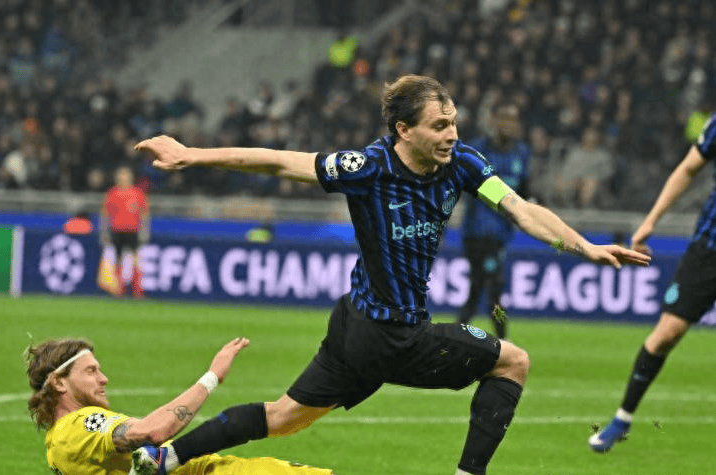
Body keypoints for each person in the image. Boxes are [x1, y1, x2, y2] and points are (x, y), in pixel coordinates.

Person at [131, 75, 650, 475]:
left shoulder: (463, 164)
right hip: (392, 334)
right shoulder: (368, 167)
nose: (452, 134)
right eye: (439, 126)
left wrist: (582, 245)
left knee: (282, 417)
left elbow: (519, 207)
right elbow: (278, 162)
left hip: (355, 324)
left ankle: (165, 458)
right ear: (405, 130)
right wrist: (191, 155)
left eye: (453, 123)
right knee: (513, 361)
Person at [588, 113, 716, 453]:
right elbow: (688, 169)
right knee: (666, 335)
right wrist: (651, 221)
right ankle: (622, 419)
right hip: (709, 249)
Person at [25, 337, 334, 475]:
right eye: (91, 371)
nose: (103, 379)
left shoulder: (59, 444)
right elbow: (152, 431)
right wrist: (212, 377)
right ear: (59, 382)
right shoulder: (78, 426)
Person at [457, 101, 530, 339]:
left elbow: (525, 191)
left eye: (513, 119)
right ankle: (502, 339)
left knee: (480, 288)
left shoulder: (521, 153)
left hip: (501, 234)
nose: (508, 124)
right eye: (504, 118)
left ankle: (457, 334)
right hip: (476, 233)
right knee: (493, 286)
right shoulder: (477, 149)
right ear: (494, 121)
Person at [100, 165, 150, 297]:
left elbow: (144, 214)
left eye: (125, 175)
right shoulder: (112, 193)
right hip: (117, 230)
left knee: (135, 259)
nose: (123, 178)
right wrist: (104, 232)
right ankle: (119, 289)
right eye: (121, 175)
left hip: (132, 230)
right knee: (118, 260)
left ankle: (137, 290)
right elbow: (105, 214)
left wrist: (145, 230)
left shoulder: (137, 193)